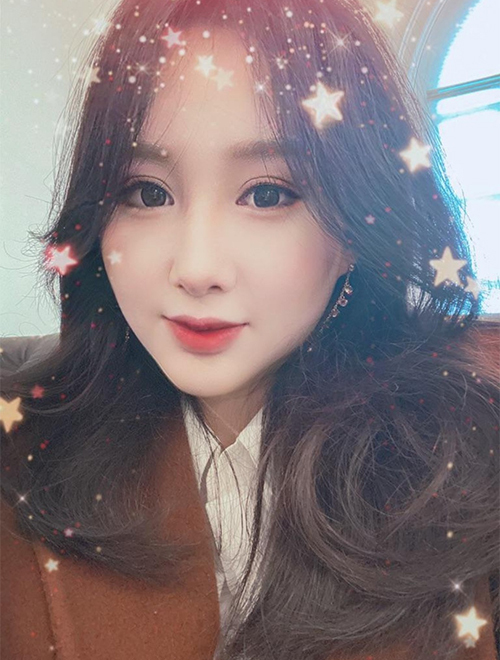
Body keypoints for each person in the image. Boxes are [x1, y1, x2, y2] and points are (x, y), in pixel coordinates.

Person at [1, 0, 498, 658]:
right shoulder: (20, 456)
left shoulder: (469, 457)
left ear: (357, 226)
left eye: (267, 194)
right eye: (147, 193)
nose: (196, 268)